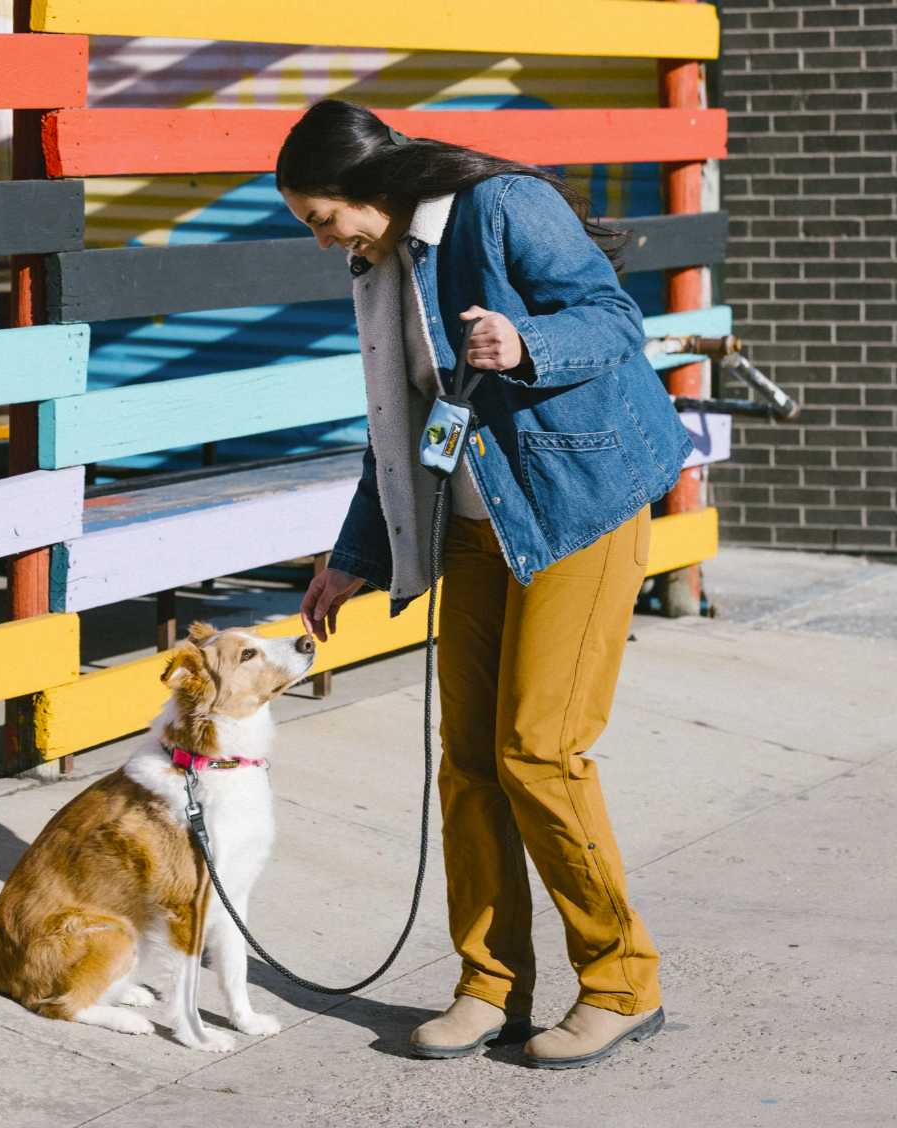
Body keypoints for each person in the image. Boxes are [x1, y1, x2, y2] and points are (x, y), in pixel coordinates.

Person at [279, 100, 692, 1069]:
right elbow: (402, 427)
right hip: (474, 522)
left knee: (538, 751)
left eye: (317, 215)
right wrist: (355, 553)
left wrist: (526, 342)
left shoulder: (501, 205)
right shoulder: (381, 269)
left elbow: (614, 319)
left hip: (580, 501)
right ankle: (490, 984)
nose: (319, 237)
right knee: (466, 757)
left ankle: (622, 981)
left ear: (367, 189)